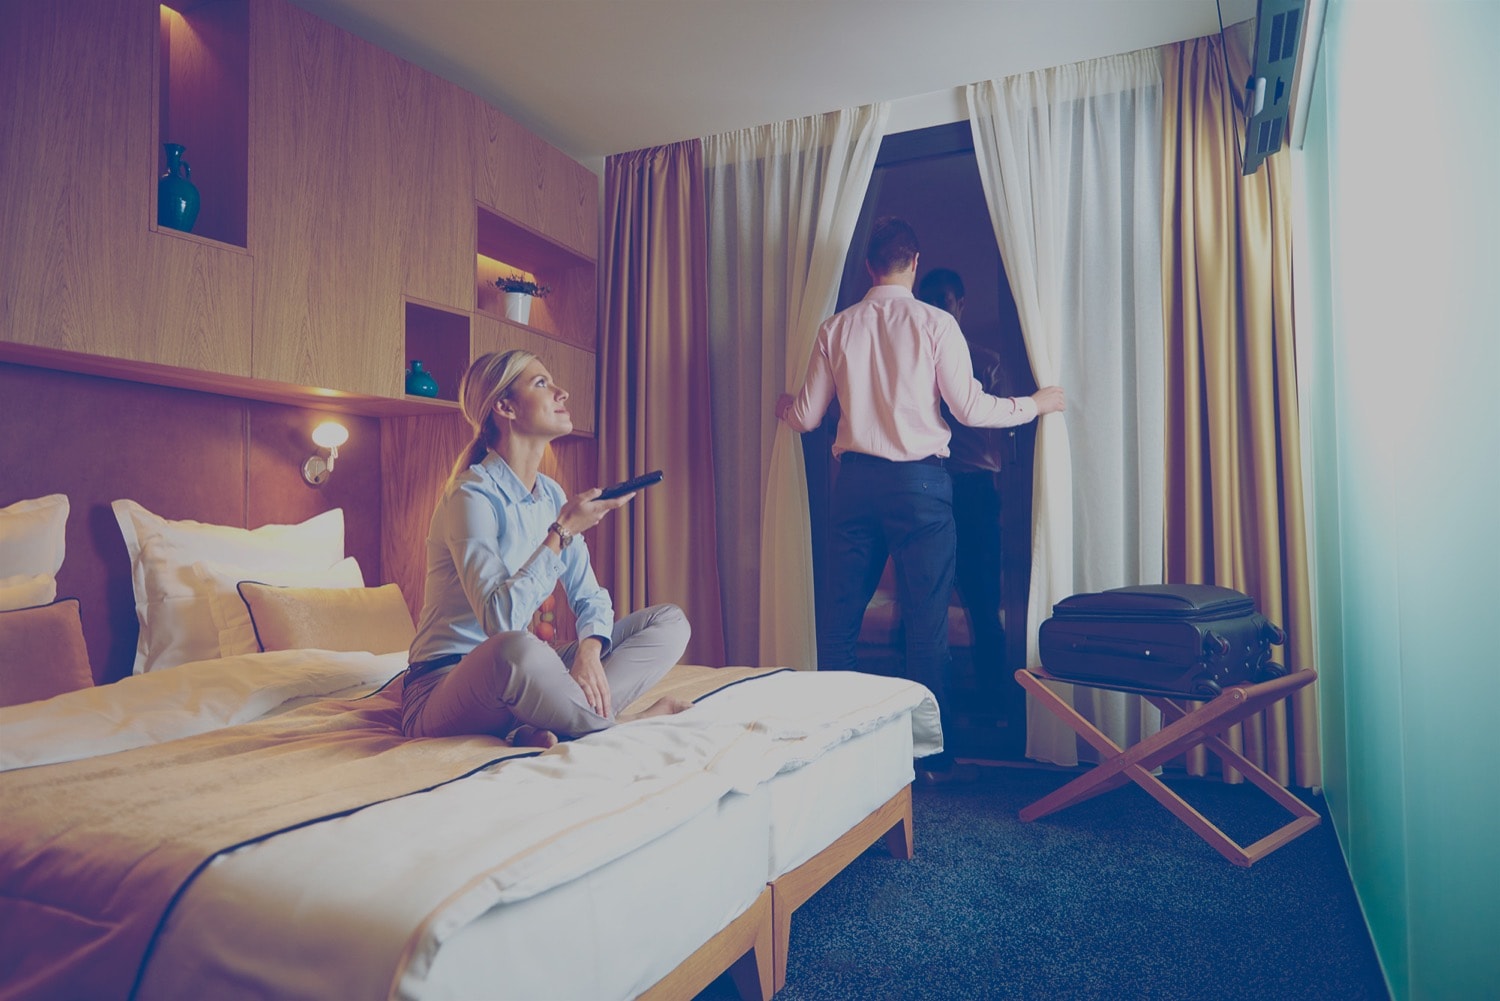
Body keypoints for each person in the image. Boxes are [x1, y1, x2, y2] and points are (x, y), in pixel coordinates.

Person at [776, 218, 1064, 776]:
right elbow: (971, 409)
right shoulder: (935, 323)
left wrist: (784, 408)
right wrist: (1036, 403)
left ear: (868, 266)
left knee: (838, 624)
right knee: (928, 628)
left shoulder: (834, 327)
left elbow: (808, 418)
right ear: (913, 263)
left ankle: (840, 752)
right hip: (920, 487)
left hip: (854, 486)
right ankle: (929, 758)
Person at [402, 349, 692, 747]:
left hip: (523, 675)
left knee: (670, 623)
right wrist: (562, 531)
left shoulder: (550, 494)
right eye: (541, 383)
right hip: (444, 683)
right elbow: (499, 622)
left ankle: (555, 721)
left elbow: (589, 596)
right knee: (518, 648)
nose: (562, 392)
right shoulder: (470, 495)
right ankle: (622, 725)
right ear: (504, 406)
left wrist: (590, 651)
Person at [915, 268, 1014, 741]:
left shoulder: (986, 359)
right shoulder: (908, 363)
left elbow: (996, 422)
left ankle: (997, 705)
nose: (935, 307)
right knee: (922, 602)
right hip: (930, 484)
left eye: (943, 299)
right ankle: (925, 712)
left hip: (974, 489)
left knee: (982, 601)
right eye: (927, 299)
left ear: (961, 306)